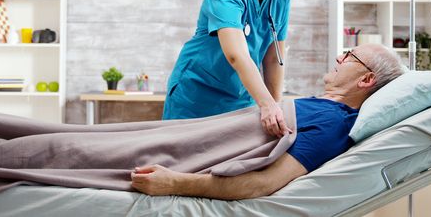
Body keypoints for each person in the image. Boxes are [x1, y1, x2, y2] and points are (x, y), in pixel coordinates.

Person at [133, 44, 406, 200]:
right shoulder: (323, 108)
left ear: (367, 80)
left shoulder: (332, 124)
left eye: (349, 55)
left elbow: (263, 184)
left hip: (181, 156)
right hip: (183, 138)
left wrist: (174, 183)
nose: (339, 57)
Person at [163, 0, 300, 138]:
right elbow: (237, 55)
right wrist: (267, 105)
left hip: (240, 96)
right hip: (197, 94)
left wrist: (276, 106)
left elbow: (274, 58)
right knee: (184, 162)